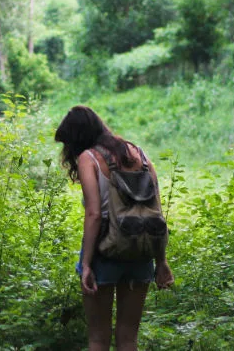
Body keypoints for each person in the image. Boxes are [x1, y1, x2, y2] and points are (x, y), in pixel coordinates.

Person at [55, 105, 174, 351]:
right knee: (128, 338)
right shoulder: (139, 154)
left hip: (104, 251)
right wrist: (160, 261)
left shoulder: (89, 158)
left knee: (98, 337)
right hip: (141, 250)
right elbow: (156, 214)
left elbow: (94, 214)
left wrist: (87, 264)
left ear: (77, 138)